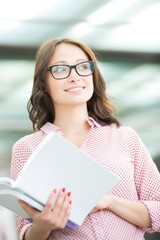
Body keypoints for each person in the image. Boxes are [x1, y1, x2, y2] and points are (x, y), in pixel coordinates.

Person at [10, 38, 160, 240]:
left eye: (82, 67)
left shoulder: (125, 137)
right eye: (61, 69)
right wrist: (42, 226)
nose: (75, 77)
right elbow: (24, 234)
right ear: (43, 82)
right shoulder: (27, 148)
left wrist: (109, 201)